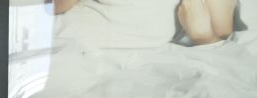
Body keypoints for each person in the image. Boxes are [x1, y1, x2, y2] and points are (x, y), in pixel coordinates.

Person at [50, 0, 242, 47]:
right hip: (68, 39)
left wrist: (202, 35)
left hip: (134, 67)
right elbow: (53, 7)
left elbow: (221, 33)